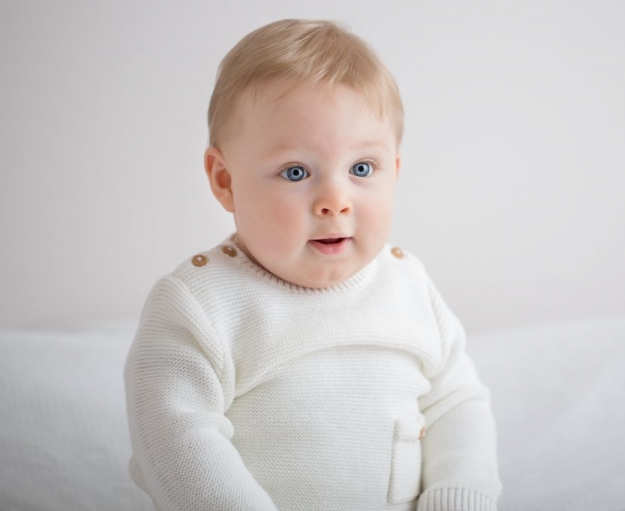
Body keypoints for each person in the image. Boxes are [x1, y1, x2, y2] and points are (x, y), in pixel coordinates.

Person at [124, 18, 502, 511]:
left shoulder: (408, 285)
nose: (335, 201)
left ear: (395, 172)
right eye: (296, 172)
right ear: (225, 180)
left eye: (362, 168)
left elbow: (456, 403)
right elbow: (176, 443)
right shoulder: (201, 304)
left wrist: (458, 498)